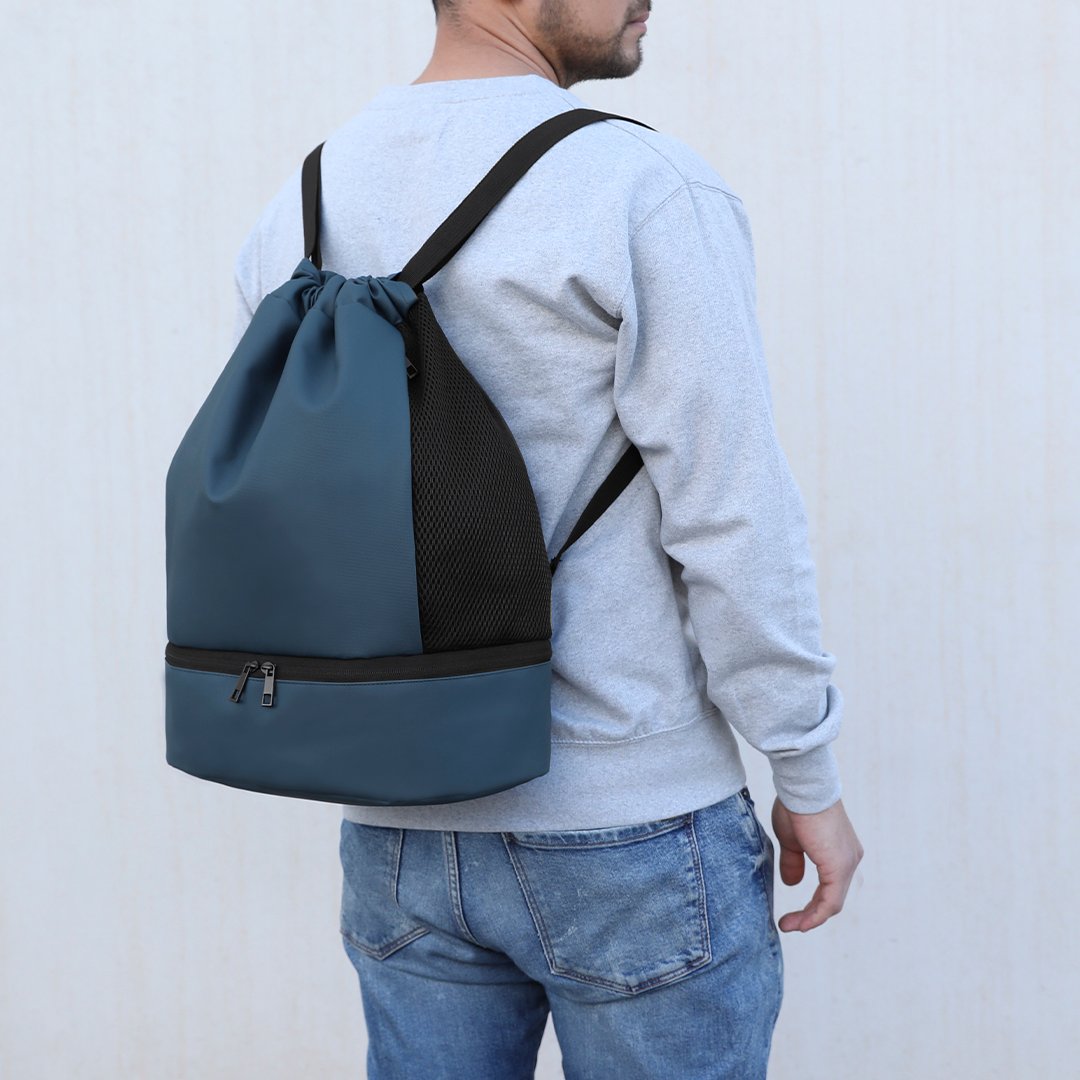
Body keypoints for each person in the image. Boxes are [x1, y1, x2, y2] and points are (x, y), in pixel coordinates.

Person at [231, 1, 864, 1076]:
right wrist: (804, 768)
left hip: (397, 829)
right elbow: (732, 514)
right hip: (628, 820)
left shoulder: (301, 205)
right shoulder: (640, 188)